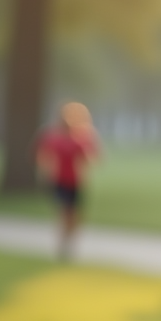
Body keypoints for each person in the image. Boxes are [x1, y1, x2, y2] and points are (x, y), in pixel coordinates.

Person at [36, 102, 101, 261]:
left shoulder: (83, 137)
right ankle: (63, 243)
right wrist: (46, 173)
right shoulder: (53, 136)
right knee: (64, 211)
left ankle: (70, 240)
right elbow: (43, 156)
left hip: (77, 182)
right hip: (59, 180)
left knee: (74, 214)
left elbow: (93, 158)